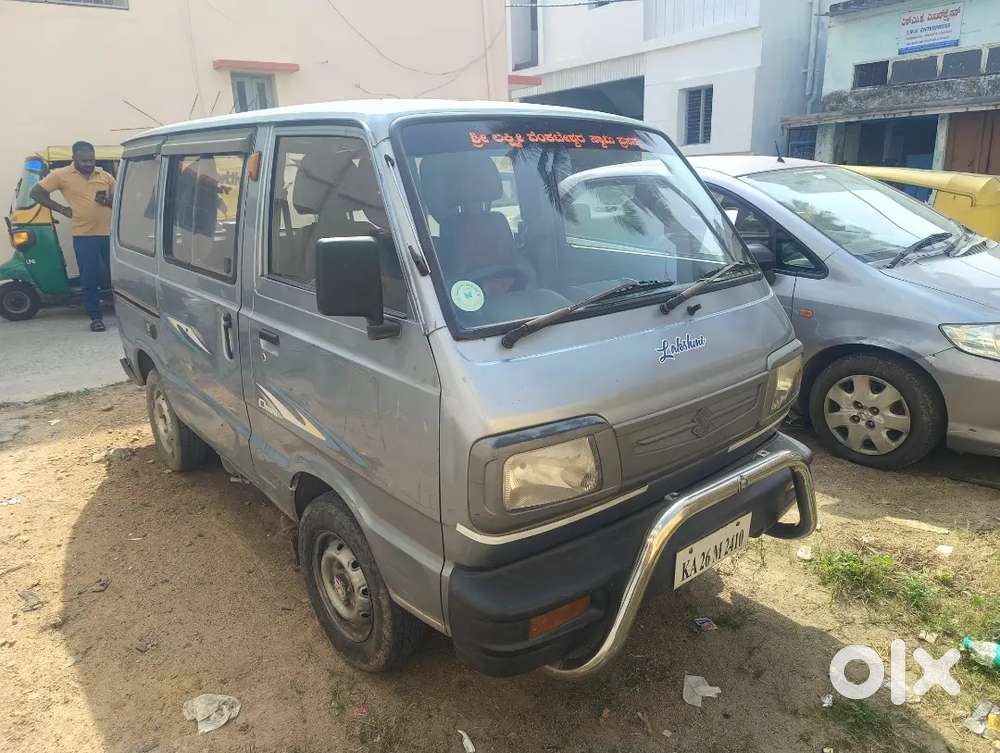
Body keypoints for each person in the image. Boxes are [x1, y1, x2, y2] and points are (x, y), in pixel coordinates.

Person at [30, 141, 115, 332]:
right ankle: (96, 318)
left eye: (92, 160)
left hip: (109, 235)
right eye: (84, 161)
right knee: (89, 278)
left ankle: (123, 314)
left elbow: (119, 200)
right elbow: (36, 192)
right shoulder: (61, 175)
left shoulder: (104, 175)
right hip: (84, 236)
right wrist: (61, 209)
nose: (89, 164)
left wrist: (107, 201)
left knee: (116, 277)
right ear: (74, 158)